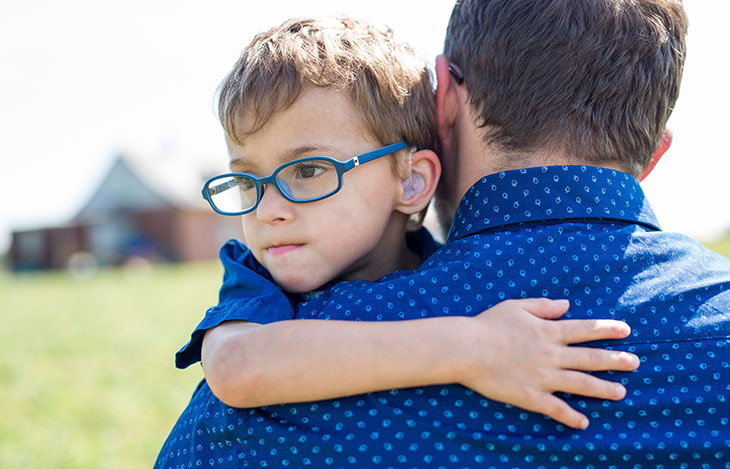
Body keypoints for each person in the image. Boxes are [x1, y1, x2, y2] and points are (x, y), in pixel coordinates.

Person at [158, 1, 730, 467]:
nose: (268, 210)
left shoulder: (240, 426)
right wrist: (471, 347)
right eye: (245, 179)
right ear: (653, 154)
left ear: (444, 102)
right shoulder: (263, 297)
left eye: (308, 171)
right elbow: (237, 365)